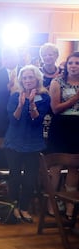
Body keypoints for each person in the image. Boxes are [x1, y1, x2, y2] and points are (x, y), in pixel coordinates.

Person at [4, 65, 50, 223]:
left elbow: (37, 121)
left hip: (33, 142)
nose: (28, 80)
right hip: (14, 140)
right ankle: (14, 206)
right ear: (21, 80)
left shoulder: (44, 97)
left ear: (37, 79)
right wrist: (20, 104)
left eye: (31, 77)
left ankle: (24, 207)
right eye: (24, 78)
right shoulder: (15, 95)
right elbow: (12, 120)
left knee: (30, 178)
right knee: (15, 176)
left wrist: (31, 105)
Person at [47, 52, 79, 219]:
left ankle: (70, 207)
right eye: (71, 63)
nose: (73, 66)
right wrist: (76, 98)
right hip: (61, 126)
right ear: (66, 66)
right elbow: (56, 108)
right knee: (57, 166)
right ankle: (52, 203)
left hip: (78, 127)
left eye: (77, 63)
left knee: (74, 167)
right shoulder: (57, 82)